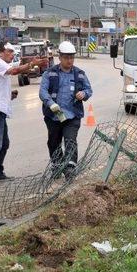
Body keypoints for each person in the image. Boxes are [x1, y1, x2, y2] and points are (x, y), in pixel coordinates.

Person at [0, 43, 47, 181]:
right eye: (9, 51)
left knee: (4, 144)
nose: (12, 54)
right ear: (0, 52)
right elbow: (15, 71)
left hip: (0, 110)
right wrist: (31, 64)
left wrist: (9, 95)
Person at [39, 41, 93, 178]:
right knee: (53, 142)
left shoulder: (80, 74)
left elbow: (88, 89)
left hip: (72, 115)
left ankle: (70, 168)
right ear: (60, 57)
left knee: (70, 140)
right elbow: (43, 91)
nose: (69, 60)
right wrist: (50, 103)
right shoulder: (49, 74)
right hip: (53, 116)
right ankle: (57, 167)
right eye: (66, 57)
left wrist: (84, 94)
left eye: (72, 57)